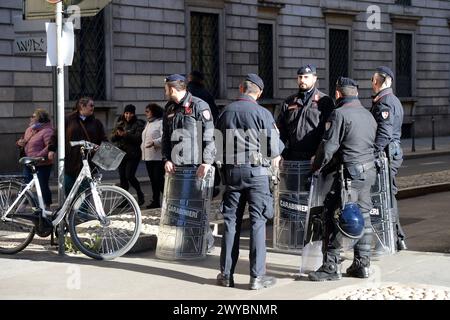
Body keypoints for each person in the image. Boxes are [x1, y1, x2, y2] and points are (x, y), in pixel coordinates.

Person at [215, 73, 284, 290]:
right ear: (259, 93)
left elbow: (216, 144)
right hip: (257, 174)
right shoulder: (263, 113)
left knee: (231, 223)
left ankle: (226, 275)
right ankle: (256, 277)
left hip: (232, 173)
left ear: (240, 88)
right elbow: (273, 149)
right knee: (257, 223)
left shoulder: (225, 111)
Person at [309, 77, 377, 281]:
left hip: (348, 175)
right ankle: (362, 264)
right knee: (363, 216)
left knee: (334, 215)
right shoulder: (367, 114)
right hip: (368, 172)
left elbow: (328, 147)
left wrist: (316, 166)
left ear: (338, 94)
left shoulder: (339, 114)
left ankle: (331, 266)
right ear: (355, 93)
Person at [370, 66, 407, 251]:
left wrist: (373, 153)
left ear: (380, 82)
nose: (373, 83)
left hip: (386, 155)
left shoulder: (385, 102)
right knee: (388, 196)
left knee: (383, 198)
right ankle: (397, 237)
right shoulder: (393, 100)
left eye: (374, 80)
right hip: (391, 153)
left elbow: (384, 133)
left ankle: (388, 238)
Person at [276, 64, 334, 161]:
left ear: (314, 79)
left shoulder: (325, 101)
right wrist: (279, 152)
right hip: (292, 157)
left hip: (314, 157)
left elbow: (329, 132)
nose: (302, 80)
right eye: (300, 77)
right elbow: (281, 130)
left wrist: (319, 155)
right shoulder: (289, 102)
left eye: (306, 77)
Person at [65, 97, 107, 195]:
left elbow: (103, 140)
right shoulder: (68, 120)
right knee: (68, 190)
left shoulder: (96, 122)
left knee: (85, 191)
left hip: (88, 162)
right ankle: (71, 210)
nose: (93, 108)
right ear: (82, 106)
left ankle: (83, 211)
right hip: (71, 161)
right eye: (91, 105)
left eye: (93, 105)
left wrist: (100, 148)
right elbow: (56, 135)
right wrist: (51, 149)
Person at [16, 108, 55, 208]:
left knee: (42, 186)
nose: (31, 118)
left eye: (33, 116)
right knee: (26, 185)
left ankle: (47, 205)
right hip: (28, 162)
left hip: (42, 164)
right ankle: (24, 204)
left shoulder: (47, 131)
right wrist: (20, 143)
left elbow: (49, 146)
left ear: (40, 119)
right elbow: (24, 141)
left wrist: (37, 156)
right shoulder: (30, 129)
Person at [111, 104, 146, 206]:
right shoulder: (120, 122)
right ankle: (124, 199)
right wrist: (117, 135)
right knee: (122, 178)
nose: (128, 115)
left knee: (129, 176)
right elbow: (112, 138)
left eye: (130, 113)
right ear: (124, 113)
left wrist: (126, 134)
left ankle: (140, 194)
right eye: (126, 113)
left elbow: (138, 139)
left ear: (134, 114)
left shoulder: (138, 124)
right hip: (121, 154)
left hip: (133, 154)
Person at [141, 103, 165, 209]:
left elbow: (164, 137)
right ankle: (156, 201)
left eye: (148, 111)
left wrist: (155, 142)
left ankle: (169, 199)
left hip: (158, 157)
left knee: (158, 179)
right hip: (148, 156)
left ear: (154, 112)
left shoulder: (160, 123)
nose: (145, 113)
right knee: (153, 180)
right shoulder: (148, 123)